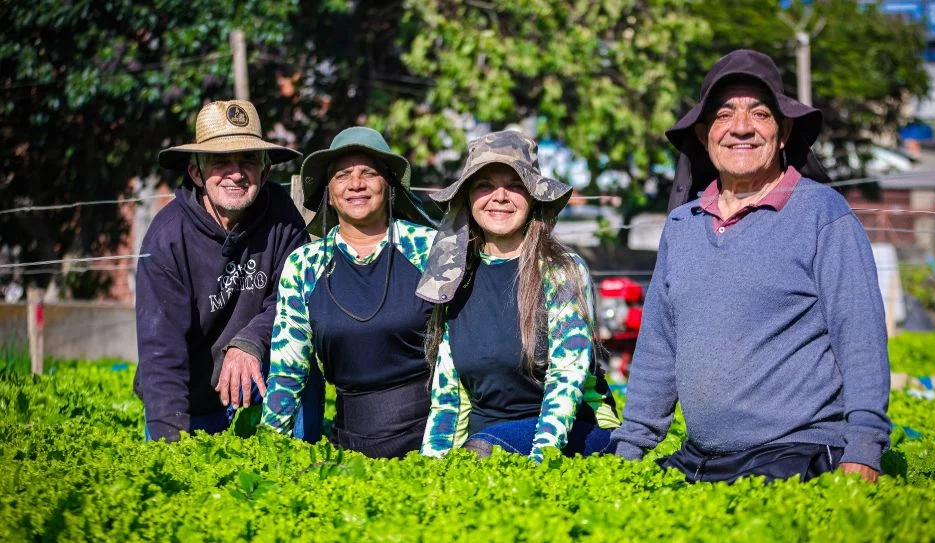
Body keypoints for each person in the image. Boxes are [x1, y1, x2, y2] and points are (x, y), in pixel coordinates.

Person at [610, 49, 890, 483]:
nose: (741, 128)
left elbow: (860, 337)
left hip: (797, 450)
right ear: (704, 135)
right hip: (700, 458)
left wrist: (865, 447)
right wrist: (628, 451)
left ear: (783, 132)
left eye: (759, 114)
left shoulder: (822, 214)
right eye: (725, 115)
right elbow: (657, 351)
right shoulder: (682, 224)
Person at [416, 130, 620, 462]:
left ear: (534, 196)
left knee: (484, 446)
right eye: (484, 185)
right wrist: (431, 470)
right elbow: (449, 398)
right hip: (486, 442)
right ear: (468, 197)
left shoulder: (562, 271)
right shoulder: (453, 277)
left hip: (570, 433)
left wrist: (540, 463)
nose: (499, 197)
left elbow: (566, 379)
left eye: (515, 185)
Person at [136, 99, 322, 442]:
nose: (236, 173)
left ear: (264, 171)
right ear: (196, 172)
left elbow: (299, 300)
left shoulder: (283, 219)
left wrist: (249, 341)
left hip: (260, 390)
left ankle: (296, 464)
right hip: (193, 403)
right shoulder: (166, 237)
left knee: (300, 358)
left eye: (247, 160)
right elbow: (161, 351)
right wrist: (169, 448)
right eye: (221, 161)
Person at [262, 126, 438, 458]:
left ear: (388, 185)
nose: (356, 183)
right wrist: (270, 450)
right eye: (343, 175)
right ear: (328, 193)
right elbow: (288, 368)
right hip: (350, 444)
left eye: (368, 173)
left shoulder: (427, 249)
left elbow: (454, 360)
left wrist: (438, 452)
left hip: (427, 437)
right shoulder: (305, 265)